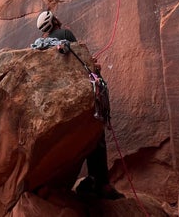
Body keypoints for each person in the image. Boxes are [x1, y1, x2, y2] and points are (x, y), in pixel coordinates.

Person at [34, 11, 124, 200]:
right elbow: (79, 59)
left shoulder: (41, 46)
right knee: (96, 135)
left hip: (55, 97)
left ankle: (78, 182)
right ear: (55, 21)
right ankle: (101, 183)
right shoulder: (64, 35)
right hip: (76, 92)